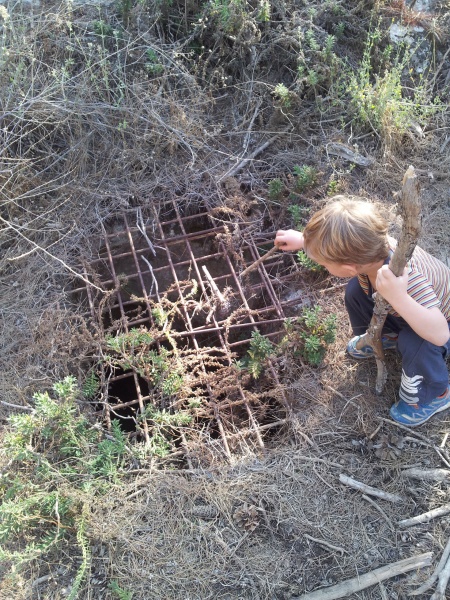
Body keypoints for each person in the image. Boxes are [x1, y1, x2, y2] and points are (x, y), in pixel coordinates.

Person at [274, 195, 450, 427]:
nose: (323, 267)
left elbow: (439, 334)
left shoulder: (408, 276)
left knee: (413, 341)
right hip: (407, 308)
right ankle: (383, 337)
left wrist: (399, 297)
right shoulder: (372, 248)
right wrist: (305, 242)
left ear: (348, 268)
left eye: (325, 264)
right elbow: (345, 238)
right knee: (356, 291)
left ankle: (435, 394)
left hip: (437, 323)